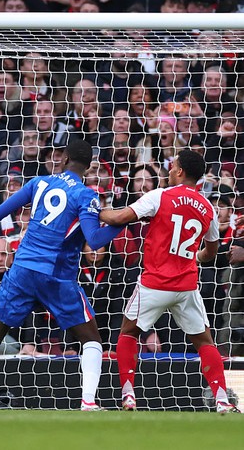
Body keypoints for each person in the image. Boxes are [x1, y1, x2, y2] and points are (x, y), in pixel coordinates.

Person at [0, 139, 123, 411]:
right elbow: (94, 237)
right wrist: (122, 222)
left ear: (64, 159)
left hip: (22, 269)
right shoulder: (85, 195)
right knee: (91, 339)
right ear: (88, 166)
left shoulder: (39, 182)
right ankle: (88, 402)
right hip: (56, 276)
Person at [99, 150, 240, 414]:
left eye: (173, 165)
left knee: (129, 333)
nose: (170, 168)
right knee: (205, 342)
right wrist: (193, 256)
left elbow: (119, 218)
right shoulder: (207, 207)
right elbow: (210, 253)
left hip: (154, 283)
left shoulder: (160, 195)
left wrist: (95, 211)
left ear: (180, 172)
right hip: (186, 286)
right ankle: (221, 399)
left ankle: (128, 394)